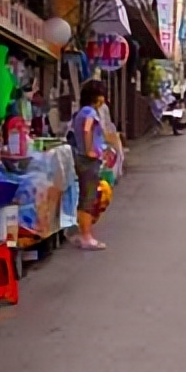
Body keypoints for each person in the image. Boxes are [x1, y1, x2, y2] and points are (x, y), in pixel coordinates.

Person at [70, 80, 108, 250]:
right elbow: (87, 129)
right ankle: (86, 236)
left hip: (81, 159)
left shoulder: (81, 112)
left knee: (84, 197)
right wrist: (90, 150)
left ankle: (82, 234)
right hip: (88, 161)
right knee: (88, 198)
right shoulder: (90, 112)